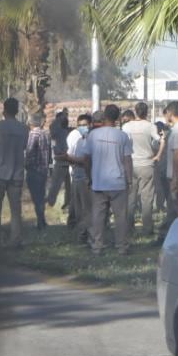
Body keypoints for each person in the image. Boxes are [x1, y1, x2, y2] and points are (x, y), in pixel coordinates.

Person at [72, 103, 133, 255]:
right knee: (120, 217)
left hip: (98, 182)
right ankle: (121, 247)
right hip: (118, 182)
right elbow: (127, 161)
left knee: (97, 216)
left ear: (104, 116)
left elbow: (86, 159)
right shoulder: (122, 136)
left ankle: (97, 246)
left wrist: (89, 176)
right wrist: (130, 180)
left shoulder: (93, 135)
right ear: (118, 118)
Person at [0, 97, 28, 248]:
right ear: (17, 111)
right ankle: (16, 240)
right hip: (16, 172)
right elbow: (23, 147)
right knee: (16, 210)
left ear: (4, 110)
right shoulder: (23, 129)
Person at [122, 101, 158, 234]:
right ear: (147, 112)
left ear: (135, 111)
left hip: (131, 164)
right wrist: (156, 154)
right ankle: (147, 228)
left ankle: (129, 226)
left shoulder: (126, 127)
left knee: (130, 197)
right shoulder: (150, 126)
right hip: (147, 164)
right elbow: (159, 141)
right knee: (147, 198)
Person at [62, 112, 91, 242]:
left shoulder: (91, 140)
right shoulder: (79, 140)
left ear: (90, 125)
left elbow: (85, 160)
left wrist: (71, 159)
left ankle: (87, 235)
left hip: (86, 178)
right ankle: (81, 235)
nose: (82, 127)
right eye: (80, 125)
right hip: (77, 177)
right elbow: (72, 156)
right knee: (79, 210)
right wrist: (70, 159)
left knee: (86, 210)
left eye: (85, 125)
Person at [23, 111, 52, 229]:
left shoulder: (33, 134)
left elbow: (29, 152)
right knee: (41, 196)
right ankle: (42, 220)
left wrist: (26, 165)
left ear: (31, 122)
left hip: (34, 171)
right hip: (43, 170)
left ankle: (40, 221)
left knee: (36, 198)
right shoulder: (45, 134)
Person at [46, 109, 70, 212]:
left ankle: (67, 203)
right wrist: (62, 116)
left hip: (67, 160)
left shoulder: (66, 131)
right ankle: (51, 202)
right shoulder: (57, 131)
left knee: (68, 186)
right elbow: (52, 127)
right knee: (56, 184)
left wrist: (62, 116)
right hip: (61, 160)